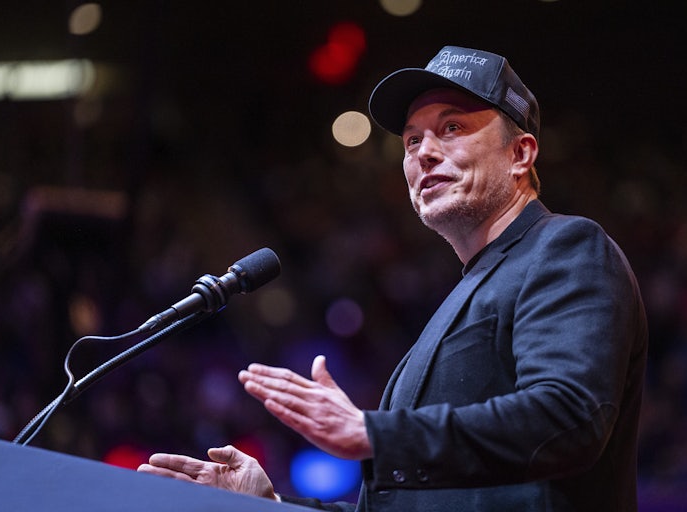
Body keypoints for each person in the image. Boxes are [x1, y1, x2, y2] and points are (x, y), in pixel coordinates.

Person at [138, 45, 648, 512]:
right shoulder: (464, 294)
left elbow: (568, 418)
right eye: (412, 139)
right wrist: (269, 505)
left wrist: (375, 434)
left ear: (520, 154)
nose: (423, 152)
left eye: (452, 127)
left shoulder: (566, 248)